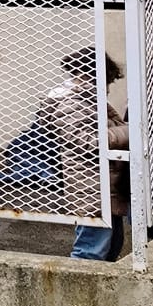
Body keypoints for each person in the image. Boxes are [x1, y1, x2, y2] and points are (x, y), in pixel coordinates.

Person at [42, 47, 129, 260]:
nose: (108, 89)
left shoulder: (89, 101)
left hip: (103, 187)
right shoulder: (73, 103)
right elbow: (89, 140)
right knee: (90, 252)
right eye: (107, 81)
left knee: (110, 246)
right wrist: (130, 131)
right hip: (92, 190)